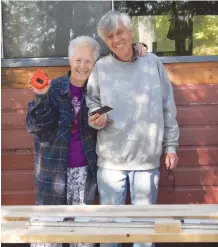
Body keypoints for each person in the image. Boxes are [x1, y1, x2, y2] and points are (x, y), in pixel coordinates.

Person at [26, 35, 147, 247]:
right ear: (70, 60)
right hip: (53, 173)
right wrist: (41, 97)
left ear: (95, 63)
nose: (82, 66)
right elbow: (36, 126)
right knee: (47, 237)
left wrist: (136, 48)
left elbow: (120, 63)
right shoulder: (51, 88)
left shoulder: (100, 91)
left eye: (88, 61)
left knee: (82, 238)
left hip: (84, 173)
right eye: (78, 60)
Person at [86, 11, 179, 247]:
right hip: (110, 164)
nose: (116, 39)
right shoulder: (101, 68)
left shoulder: (153, 63)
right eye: (109, 36)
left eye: (120, 32)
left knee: (145, 236)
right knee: (110, 236)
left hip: (146, 162)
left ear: (130, 32)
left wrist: (171, 146)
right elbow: (93, 105)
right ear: (105, 41)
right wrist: (95, 118)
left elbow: (168, 106)